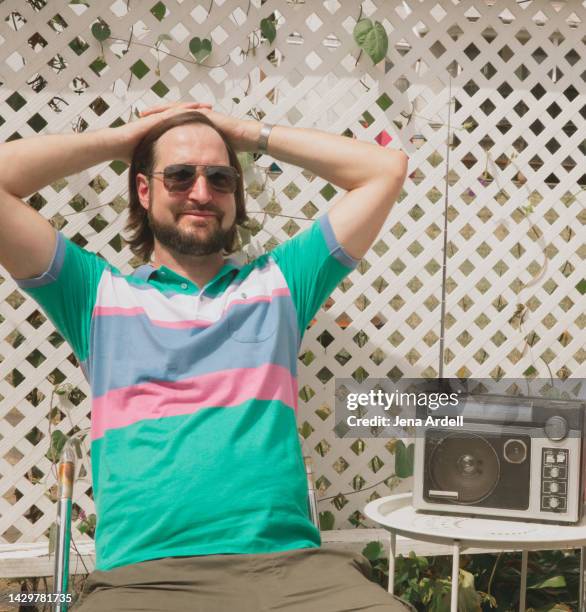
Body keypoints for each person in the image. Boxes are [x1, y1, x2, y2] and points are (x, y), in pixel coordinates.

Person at [0, 102, 409, 611]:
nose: (202, 192)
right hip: (144, 581)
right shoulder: (95, 297)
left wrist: (243, 133)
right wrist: (124, 139)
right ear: (144, 191)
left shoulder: (280, 285)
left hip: (289, 573)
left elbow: (384, 170)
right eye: (179, 176)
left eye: (220, 178)